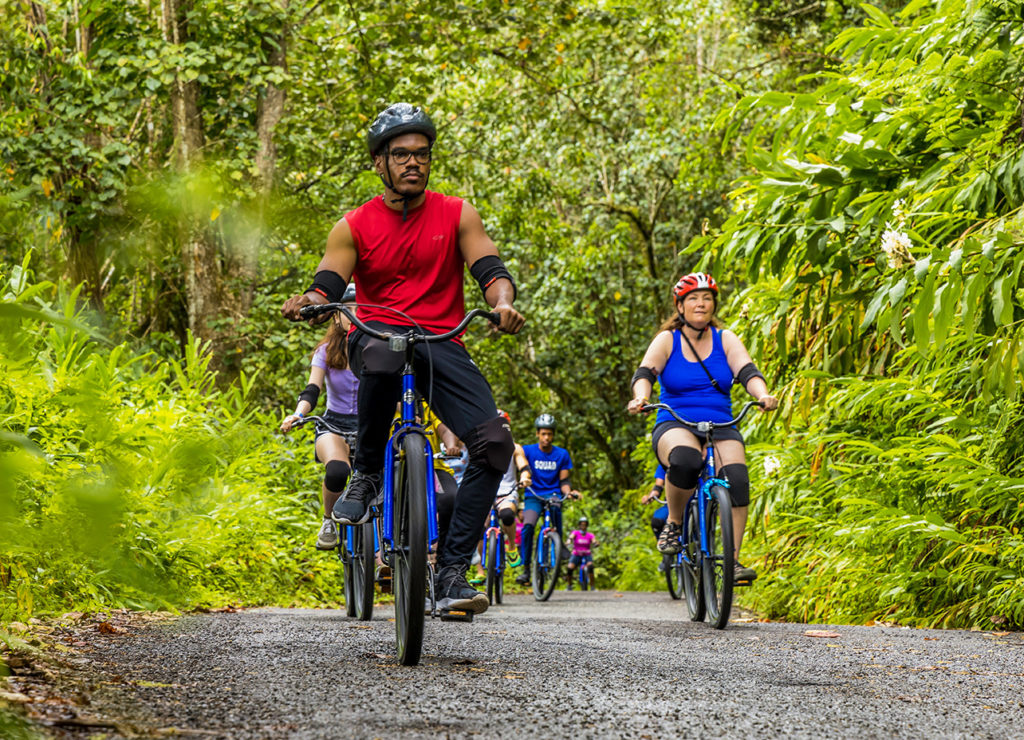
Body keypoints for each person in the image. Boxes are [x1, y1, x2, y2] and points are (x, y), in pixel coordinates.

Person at [281, 103, 525, 615]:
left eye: (422, 154)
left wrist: (501, 301)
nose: (413, 163)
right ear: (379, 162)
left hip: (442, 340)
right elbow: (328, 278)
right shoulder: (354, 225)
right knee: (388, 356)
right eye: (401, 155)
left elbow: (489, 267)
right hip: (379, 333)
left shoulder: (457, 213)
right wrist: (308, 300)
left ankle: (452, 572)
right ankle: (367, 472)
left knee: (495, 445)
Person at [626, 272, 778, 583]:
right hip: (675, 421)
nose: (701, 303)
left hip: (721, 422)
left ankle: (732, 561)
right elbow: (645, 373)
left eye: (707, 298)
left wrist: (762, 394)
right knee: (686, 461)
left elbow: (747, 371)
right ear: (679, 306)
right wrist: (640, 397)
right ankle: (674, 522)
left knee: (737, 479)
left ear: (713, 305)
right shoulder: (668, 339)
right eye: (693, 298)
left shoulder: (726, 338)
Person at [280, 284, 359, 550]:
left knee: (384, 478)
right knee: (338, 470)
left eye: (359, 309)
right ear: (336, 315)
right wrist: (297, 414)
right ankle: (328, 520)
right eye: (348, 310)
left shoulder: (377, 349)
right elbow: (312, 390)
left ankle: (385, 548)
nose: (354, 314)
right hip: (333, 424)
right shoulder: (325, 351)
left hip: (371, 424)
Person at [515, 413, 580, 585]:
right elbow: (521, 468)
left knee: (557, 507)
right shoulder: (528, 451)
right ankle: (526, 568)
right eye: (543, 434)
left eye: (549, 434)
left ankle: (558, 541)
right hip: (533, 495)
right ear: (537, 434)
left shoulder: (562, 454)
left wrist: (570, 492)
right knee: (528, 527)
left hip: (552, 494)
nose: (546, 438)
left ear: (553, 435)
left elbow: (564, 481)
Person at [473, 410, 526, 580]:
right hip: (486, 492)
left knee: (507, 515)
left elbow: (522, 464)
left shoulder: (515, 447)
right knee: (479, 526)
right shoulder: (480, 446)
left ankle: (511, 547)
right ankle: (480, 570)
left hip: (507, 492)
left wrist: (525, 475)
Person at [639, 464, 670, 572]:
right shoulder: (664, 462)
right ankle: (665, 551)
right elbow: (658, 486)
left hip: (694, 502)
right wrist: (651, 496)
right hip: (671, 504)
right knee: (657, 520)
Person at [566, 516, 597, 590]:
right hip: (576, 554)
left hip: (587, 554)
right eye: (582, 524)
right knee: (570, 568)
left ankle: (592, 586)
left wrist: (595, 543)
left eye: (585, 525)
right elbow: (571, 537)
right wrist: (569, 541)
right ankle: (569, 585)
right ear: (579, 525)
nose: (583, 526)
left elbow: (594, 540)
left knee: (590, 567)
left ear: (587, 525)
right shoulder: (575, 533)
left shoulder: (590, 535)